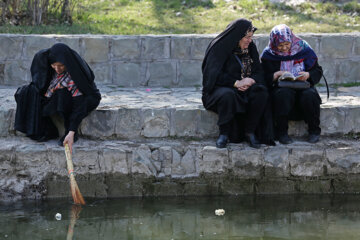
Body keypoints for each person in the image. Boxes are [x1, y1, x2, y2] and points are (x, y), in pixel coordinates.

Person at [14, 43, 101, 152]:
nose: (57, 69)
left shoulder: (73, 75)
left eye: (61, 65)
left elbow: (79, 104)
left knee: (62, 94)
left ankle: (67, 131)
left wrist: (71, 131)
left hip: (82, 99)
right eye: (54, 65)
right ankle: (47, 130)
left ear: (67, 63)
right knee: (26, 92)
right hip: (58, 95)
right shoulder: (51, 69)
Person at [202, 18, 274, 149]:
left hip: (245, 87)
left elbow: (258, 70)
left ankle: (250, 131)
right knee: (227, 95)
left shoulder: (250, 47)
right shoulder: (219, 48)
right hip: (220, 89)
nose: (249, 40)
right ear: (237, 36)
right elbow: (212, 76)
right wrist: (236, 83)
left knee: (260, 92)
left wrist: (251, 80)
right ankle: (223, 134)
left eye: (251, 37)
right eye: (246, 37)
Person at [261, 24, 322, 144]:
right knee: (283, 94)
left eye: (287, 44)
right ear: (274, 43)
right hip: (282, 88)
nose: (284, 48)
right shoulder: (269, 54)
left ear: (291, 40)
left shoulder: (303, 49)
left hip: (303, 85)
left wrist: (308, 75)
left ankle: (314, 130)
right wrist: (276, 75)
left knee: (309, 95)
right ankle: (282, 133)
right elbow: (263, 76)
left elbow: (317, 70)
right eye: (280, 45)